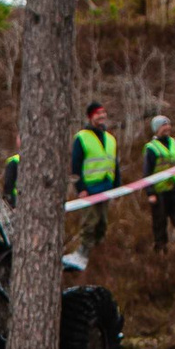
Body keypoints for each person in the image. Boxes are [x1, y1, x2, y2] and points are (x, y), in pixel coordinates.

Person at [70, 102, 117, 269]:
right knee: (90, 223)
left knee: (102, 223)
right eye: (98, 113)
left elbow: (114, 164)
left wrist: (117, 186)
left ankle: (98, 257)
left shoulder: (110, 139)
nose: (102, 116)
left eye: (103, 112)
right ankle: (84, 254)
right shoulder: (82, 137)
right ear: (91, 117)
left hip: (106, 187)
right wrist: (80, 188)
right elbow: (75, 165)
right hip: (89, 188)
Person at [143, 114, 175, 251]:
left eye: (168, 125)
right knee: (159, 225)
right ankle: (161, 252)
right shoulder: (151, 148)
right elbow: (147, 173)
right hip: (159, 194)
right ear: (156, 129)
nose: (167, 128)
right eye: (163, 125)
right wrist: (150, 193)